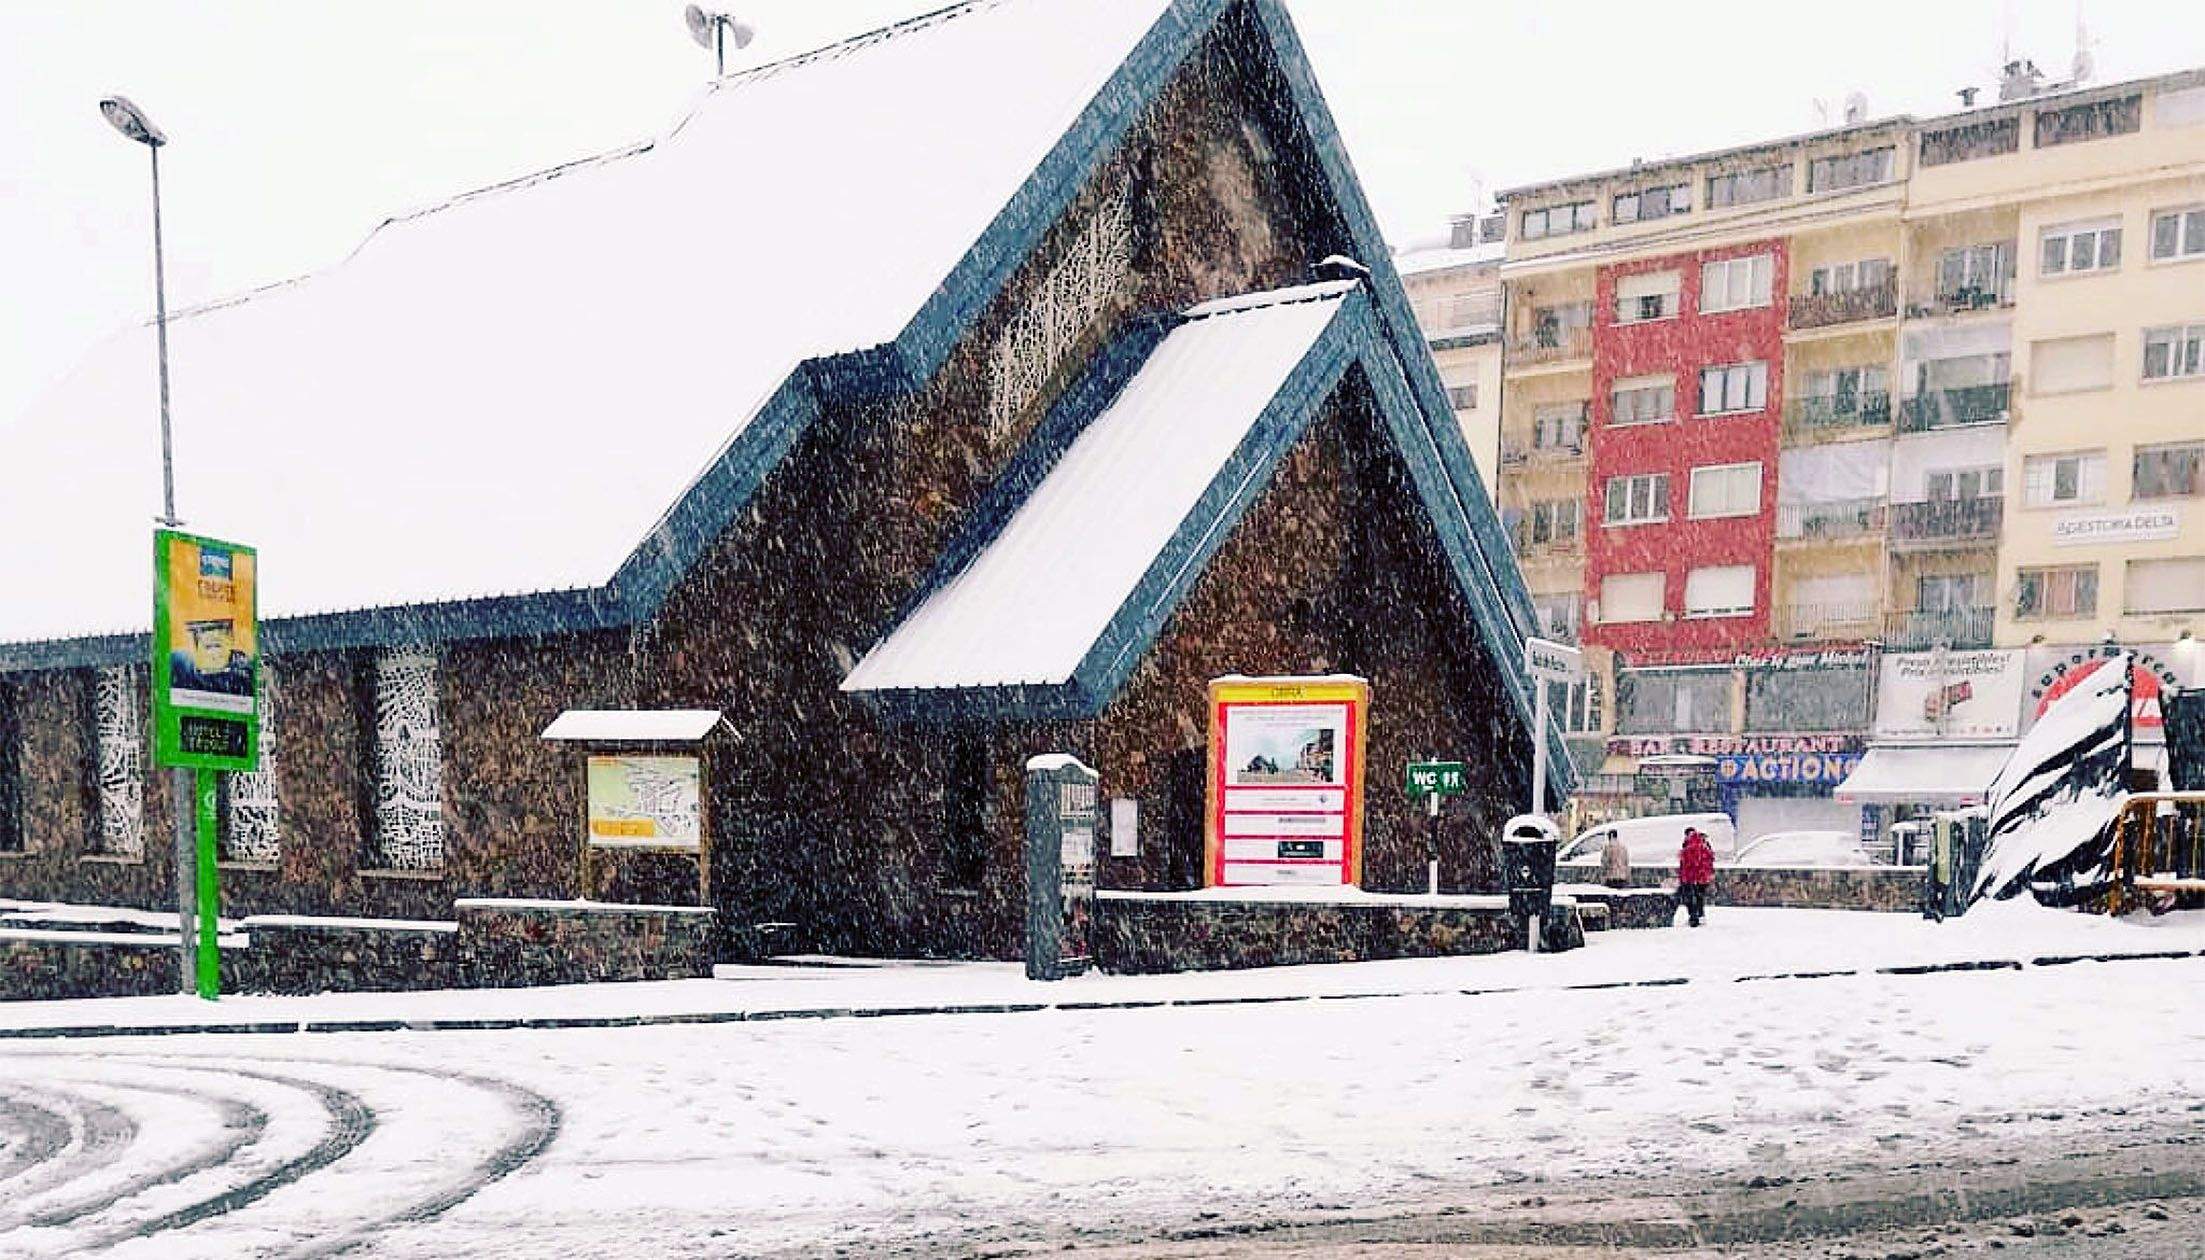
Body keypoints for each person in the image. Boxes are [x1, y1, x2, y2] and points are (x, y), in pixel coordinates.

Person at [1677, 826, 1715, 927]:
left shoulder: (1689, 845)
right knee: (1699, 897)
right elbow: (1710, 859)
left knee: (1689, 898)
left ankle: (1694, 918)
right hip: (1703, 876)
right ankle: (1701, 916)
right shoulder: (1704, 844)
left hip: (1691, 876)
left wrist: (1684, 876)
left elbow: (1687, 863)